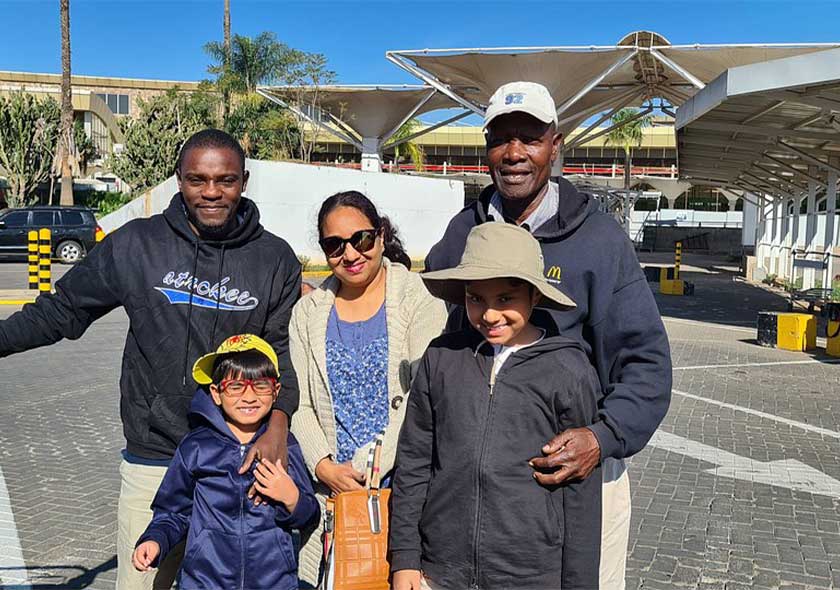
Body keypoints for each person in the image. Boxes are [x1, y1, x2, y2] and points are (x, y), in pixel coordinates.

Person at [0, 129, 302, 589]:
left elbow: (281, 354)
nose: (212, 192)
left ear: (244, 181)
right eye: (197, 179)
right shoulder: (136, 244)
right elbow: (62, 311)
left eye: (225, 180)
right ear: (179, 180)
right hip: (155, 458)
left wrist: (277, 428)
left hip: (238, 461)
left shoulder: (274, 258)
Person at [425, 81, 672, 589]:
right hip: (480, 486)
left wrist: (601, 438)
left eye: (530, 138)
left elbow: (646, 364)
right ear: (487, 148)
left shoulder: (599, 241)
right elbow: (449, 344)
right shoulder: (462, 233)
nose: (514, 153)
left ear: (555, 146)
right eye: (501, 138)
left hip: (574, 474)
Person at [390, 222, 602, 590]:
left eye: (505, 299)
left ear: (534, 296)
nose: (489, 314)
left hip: (530, 575)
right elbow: (414, 462)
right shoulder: (441, 358)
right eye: (476, 299)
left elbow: (581, 492)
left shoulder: (568, 369)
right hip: (441, 570)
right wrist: (405, 556)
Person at [288, 191, 447, 586]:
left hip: (404, 490)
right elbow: (299, 402)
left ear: (380, 235)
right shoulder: (307, 313)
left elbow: (423, 397)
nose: (350, 254)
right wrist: (322, 465)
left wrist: (368, 466)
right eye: (334, 245)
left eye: (360, 239)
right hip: (331, 496)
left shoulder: (418, 298)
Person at [132, 334, 318, 589]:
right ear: (216, 393)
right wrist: (156, 539)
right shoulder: (196, 446)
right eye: (235, 386)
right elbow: (173, 511)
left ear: (276, 391)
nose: (249, 397)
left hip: (273, 582)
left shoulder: (284, 445)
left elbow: (310, 516)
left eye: (261, 385)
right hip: (205, 581)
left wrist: (292, 498)